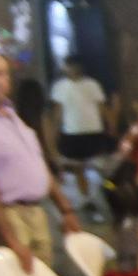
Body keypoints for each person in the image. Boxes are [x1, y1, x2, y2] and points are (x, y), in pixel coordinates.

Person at [0, 48, 82, 273]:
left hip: (34, 213)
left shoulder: (10, 114)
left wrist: (65, 210)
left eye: (1, 73)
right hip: (2, 217)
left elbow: (36, 163)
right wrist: (11, 239)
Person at [49, 54, 112, 210]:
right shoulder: (60, 86)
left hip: (93, 131)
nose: (71, 69)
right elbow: (58, 112)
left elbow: (102, 107)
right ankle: (87, 199)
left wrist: (110, 125)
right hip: (72, 132)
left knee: (101, 167)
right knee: (78, 168)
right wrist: (54, 132)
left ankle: (108, 194)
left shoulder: (92, 85)